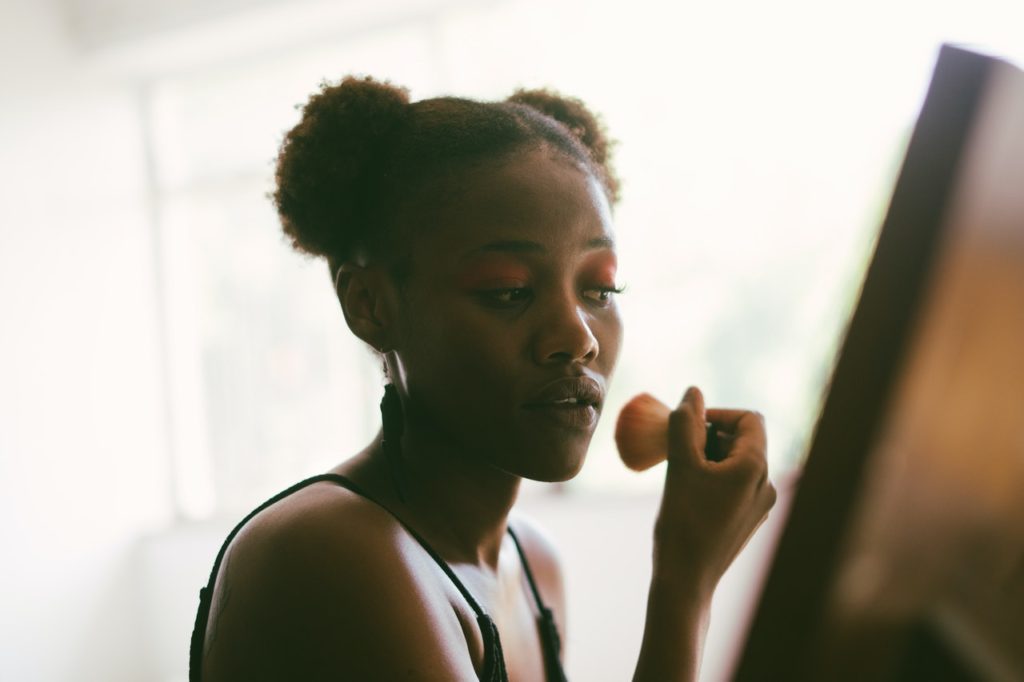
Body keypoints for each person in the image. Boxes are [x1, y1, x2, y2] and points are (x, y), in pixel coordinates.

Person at [189, 76, 777, 681]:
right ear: (370, 304)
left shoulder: (531, 566)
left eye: (599, 288)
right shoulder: (327, 553)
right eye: (509, 291)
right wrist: (685, 585)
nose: (579, 338)